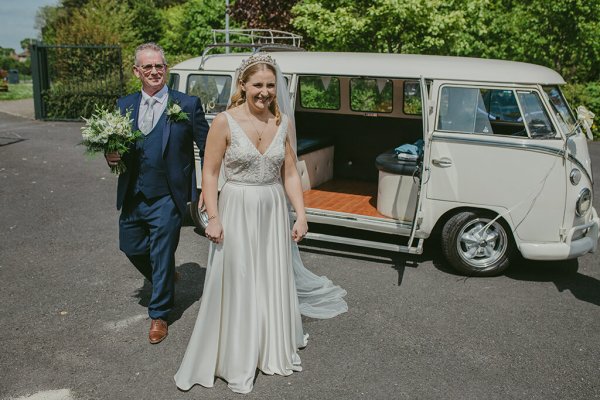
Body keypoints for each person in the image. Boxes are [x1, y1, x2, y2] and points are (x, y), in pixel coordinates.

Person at [174, 53, 346, 394]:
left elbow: (291, 173)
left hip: (271, 208)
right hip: (236, 205)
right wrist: (213, 217)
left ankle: (269, 344)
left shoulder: (283, 122)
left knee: (270, 276)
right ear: (243, 85)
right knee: (238, 278)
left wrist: (301, 214)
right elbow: (208, 173)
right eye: (258, 85)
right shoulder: (224, 121)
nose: (265, 92)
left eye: (270, 85)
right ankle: (236, 353)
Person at [105, 43, 209, 344]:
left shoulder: (187, 104)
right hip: (133, 193)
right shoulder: (123, 105)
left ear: (167, 69)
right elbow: (114, 148)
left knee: (162, 253)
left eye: (159, 66)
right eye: (147, 67)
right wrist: (110, 156)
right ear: (137, 71)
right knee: (131, 246)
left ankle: (159, 314)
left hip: (168, 195)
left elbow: (207, 148)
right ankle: (164, 276)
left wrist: (208, 189)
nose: (154, 71)